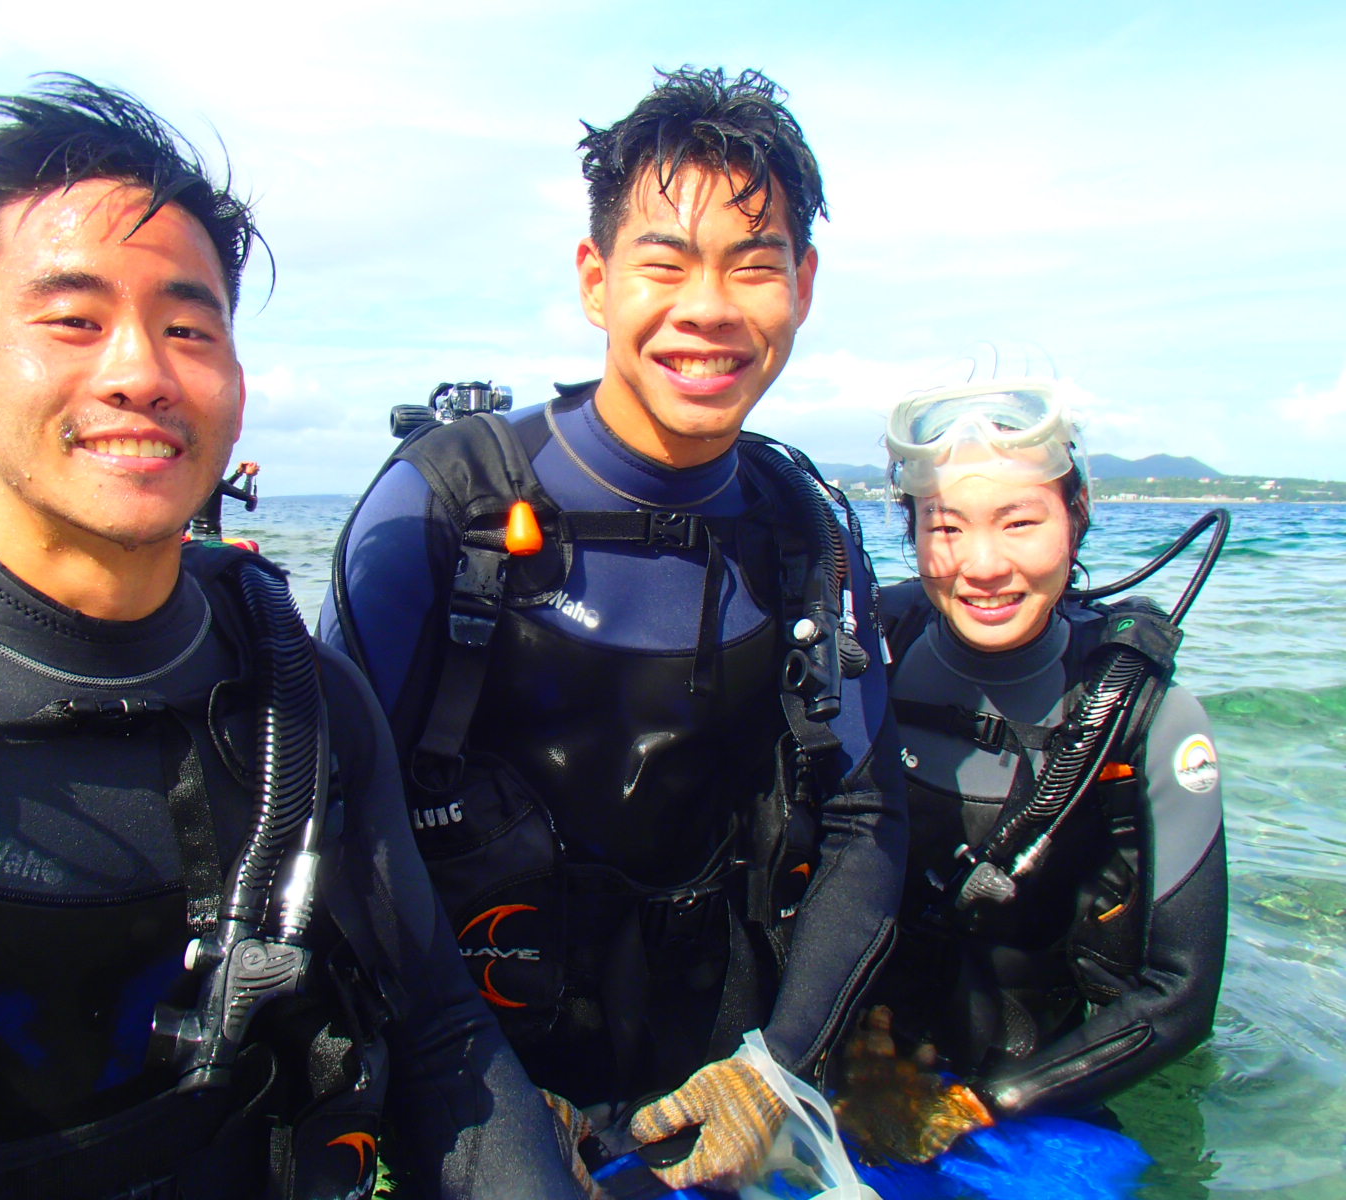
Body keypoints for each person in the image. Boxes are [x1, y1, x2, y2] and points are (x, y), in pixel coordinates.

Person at [0, 75, 583, 1199]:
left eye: (187, 329)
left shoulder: (306, 708)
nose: (140, 372)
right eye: (73, 321)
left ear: (234, 379)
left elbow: (440, 1038)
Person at [322, 67, 906, 1192]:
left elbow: (866, 820)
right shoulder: (445, 508)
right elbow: (330, 828)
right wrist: (473, 1102)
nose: (709, 308)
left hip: (714, 1102)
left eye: (753, 265)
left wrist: (778, 1070)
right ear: (596, 282)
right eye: (665, 263)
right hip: (472, 1091)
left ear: (803, 286)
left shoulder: (802, 531)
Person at [835, 377, 1228, 1164]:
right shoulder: (869, 653)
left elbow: (1180, 999)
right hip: (853, 1059)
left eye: (1020, 522)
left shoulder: (1148, 717)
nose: (983, 565)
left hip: (1037, 1094)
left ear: (1076, 516)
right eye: (946, 526)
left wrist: (973, 1108)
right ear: (911, 530)